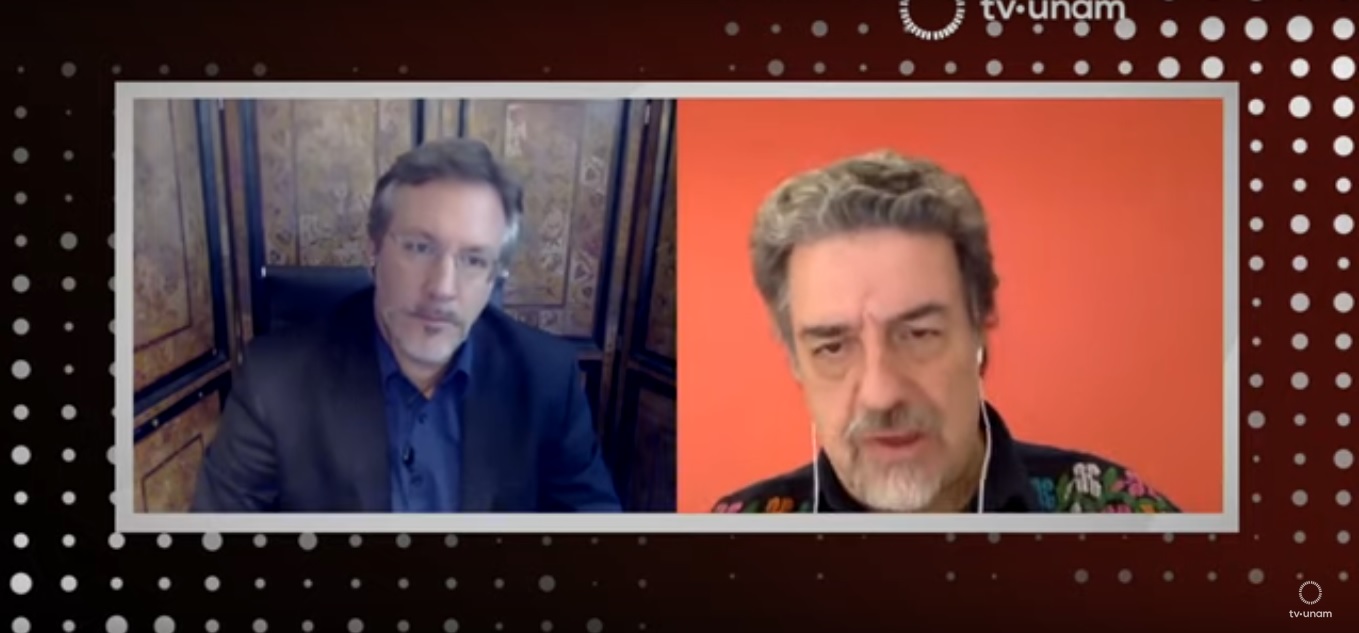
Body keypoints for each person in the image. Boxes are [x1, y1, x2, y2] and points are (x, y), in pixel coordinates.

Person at [712, 151, 1179, 514]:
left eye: (919, 334)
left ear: (979, 328)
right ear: (795, 360)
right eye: (833, 347)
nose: (880, 394)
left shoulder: (1113, 512)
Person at [193, 138, 621, 513]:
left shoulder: (547, 378)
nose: (442, 289)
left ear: (494, 276)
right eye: (419, 247)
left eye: (473, 260)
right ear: (374, 249)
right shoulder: (275, 381)